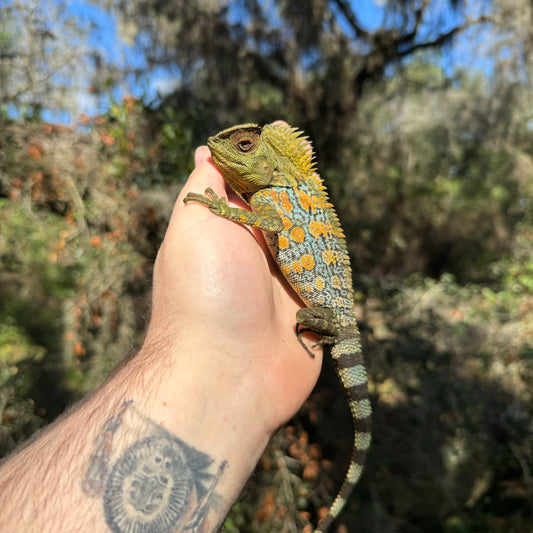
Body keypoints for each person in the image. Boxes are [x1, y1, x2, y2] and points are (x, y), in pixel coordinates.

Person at [0, 145, 322, 532]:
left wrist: (223, 210)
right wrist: (221, 351)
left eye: (245, 146)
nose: (230, 150)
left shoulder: (277, 196)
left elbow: (270, 219)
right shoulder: (271, 194)